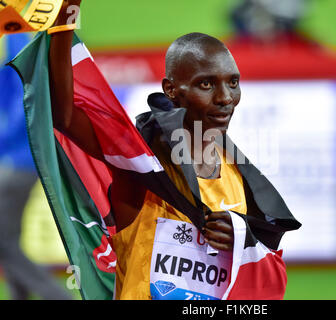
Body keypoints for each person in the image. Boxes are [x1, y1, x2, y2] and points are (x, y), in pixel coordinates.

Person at [48, 0, 300, 300]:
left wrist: (242, 235)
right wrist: (63, 23)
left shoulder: (240, 175)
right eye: (206, 84)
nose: (225, 98)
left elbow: (262, 263)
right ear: (171, 90)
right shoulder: (143, 163)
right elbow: (65, 117)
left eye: (233, 83)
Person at [0, 33, 71, 300]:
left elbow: (25, 103)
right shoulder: (19, 39)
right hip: (22, 159)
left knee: (3, 242)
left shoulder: (17, 40)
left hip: (16, 161)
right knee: (7, 238)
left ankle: (56, 297)